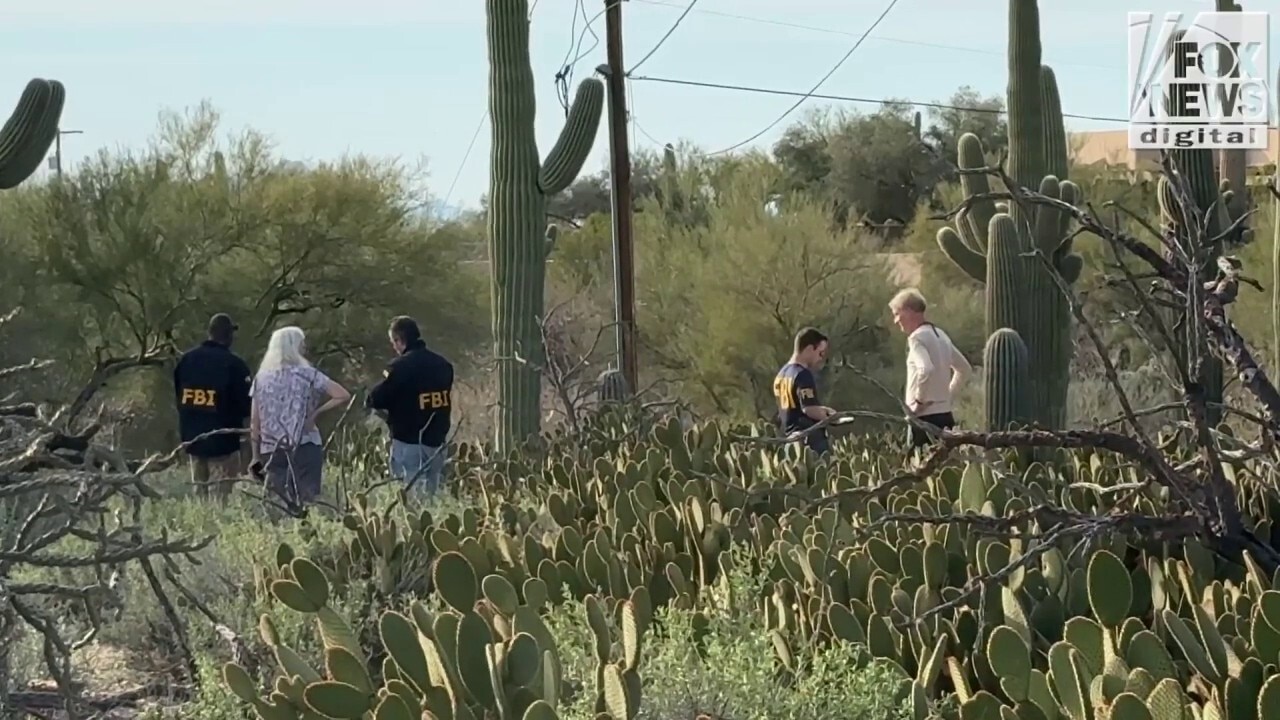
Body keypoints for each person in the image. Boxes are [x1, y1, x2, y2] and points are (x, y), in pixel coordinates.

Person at [249, 326, 351, 508]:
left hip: (272, 448)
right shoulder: (308, 375)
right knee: (307, 500)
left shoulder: (261, 379)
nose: (305, 349)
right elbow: (342, 394)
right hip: (305, 444)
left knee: (278, 503)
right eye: (302, 344)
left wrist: (255, 455)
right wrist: (315, 414)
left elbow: (255, 421)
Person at [367, 316, 454, 494]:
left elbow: (376, 399)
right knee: (432, 498)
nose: (394, 347)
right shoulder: (444, 365)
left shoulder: (399, 367)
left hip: (409, 444)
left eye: (394, 342)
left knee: (412, 502)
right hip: (437, 444)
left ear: (400, 340)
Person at [173, 313, 252, 501]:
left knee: (199, 493)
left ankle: (200, 526)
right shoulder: (235, 365)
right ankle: (215, 527)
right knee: (221, 497)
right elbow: (246, 405)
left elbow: (179, 397)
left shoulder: (186, 361)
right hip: (223, 444)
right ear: (229, 337)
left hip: (193, 440)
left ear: (209, 333)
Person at [888, 288, 972, 448]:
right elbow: (964, 369)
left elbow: (926, 369)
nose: (896, 320)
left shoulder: (916, 338)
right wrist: (947, 395)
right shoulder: (940, 335)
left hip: (924, 419)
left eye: (897, 313)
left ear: (910, 311)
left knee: (919, 468)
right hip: (945, 416)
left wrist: (918, 403)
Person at [773, 327, 837, 454]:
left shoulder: (780, 376)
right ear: (809, 349)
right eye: (820, 353)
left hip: (790, 443)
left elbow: (793, 408)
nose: (820, 359)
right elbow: (809, 409)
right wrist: (831, 417)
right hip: (809, 440)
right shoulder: (802, 374)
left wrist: (822, 409)